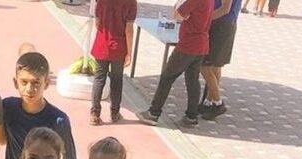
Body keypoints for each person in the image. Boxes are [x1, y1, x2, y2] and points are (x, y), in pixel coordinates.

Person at [3, 50, 78, 159]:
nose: (29, 89)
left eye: (36, 82)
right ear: (15, 82)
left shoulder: (58, 120)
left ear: (47, 83)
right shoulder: (8, 108)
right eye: (24, 82)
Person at [137, 0, 213, 128]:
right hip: (201, 43)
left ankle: (153, 113)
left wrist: (180, 5)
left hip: (188, 44)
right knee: (192, 80)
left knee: (167, 77)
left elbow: (177, 15)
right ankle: (191, 116)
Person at [89, 0, 137, 125]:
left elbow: (97, 22)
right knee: (116, 80)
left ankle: (94, 113)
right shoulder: (131, 2)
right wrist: (129, 52)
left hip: (101, 44)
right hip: (119, 47)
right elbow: (129, 29)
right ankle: (114, 112)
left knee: (99, 79)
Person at [199, 0, 242, 120]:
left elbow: (224, 9)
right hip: (224, 24)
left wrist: (205, 19)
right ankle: (209, 102)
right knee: (215, 66)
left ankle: (218, 102)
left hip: (221, 25)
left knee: (204, 65)